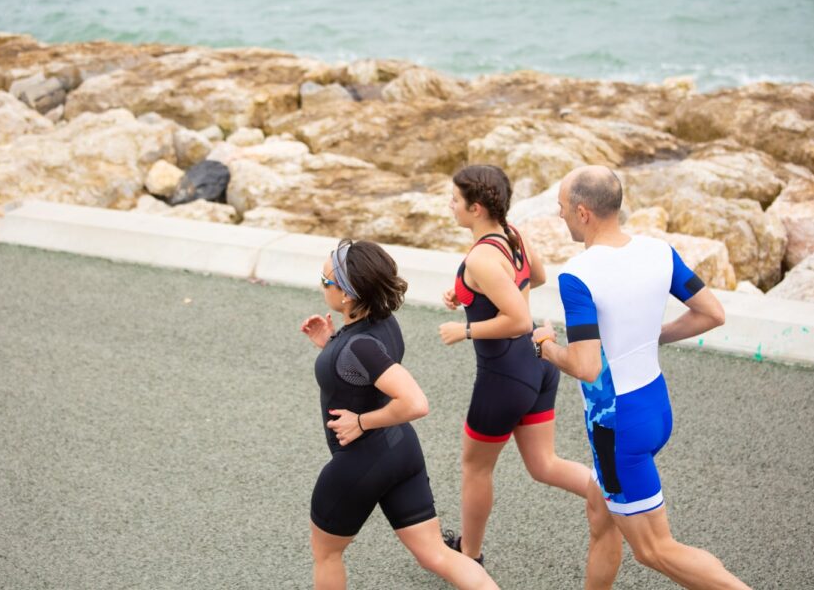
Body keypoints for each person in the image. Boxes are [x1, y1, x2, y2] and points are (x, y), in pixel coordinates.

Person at [534, 165, 750, 589]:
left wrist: (544, 346)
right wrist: (652, 337)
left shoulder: (578, 276)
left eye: (561, 208)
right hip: (654, 407)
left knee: (655, 550)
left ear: (583, 213)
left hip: (618, 430)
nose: (559, 216)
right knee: (601, 517)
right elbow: (712, 313)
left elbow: (587, 366)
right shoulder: (659, 251)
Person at [301, 238, 498, 590]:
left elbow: (416, 402)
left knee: (326, 554)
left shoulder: (358, 347)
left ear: (347, 295)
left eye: (325, 279)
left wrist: (361, 422)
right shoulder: (382, 323)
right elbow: (363, 374)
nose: (321, 285)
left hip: (360, 462)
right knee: (436, 554)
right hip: (399, 452)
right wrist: (331, 344)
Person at [438, 164, 590, 565]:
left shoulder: (481, 259)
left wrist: (465, 331)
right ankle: (609, 494)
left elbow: (518, 320)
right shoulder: (512, 235)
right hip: (538, 365)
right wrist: (469, 297)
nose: (449, 205)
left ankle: (468, 557)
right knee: (544, 464)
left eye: (454, 199)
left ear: (474, 208)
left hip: (504, 377)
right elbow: (535, 276)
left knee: (475, 468)